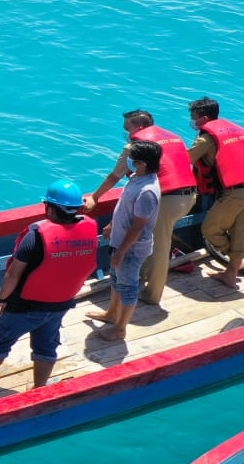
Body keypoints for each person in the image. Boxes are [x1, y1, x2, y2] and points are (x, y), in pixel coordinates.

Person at [0, 180, 98, 398]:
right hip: (61, 304)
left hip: (25, 305)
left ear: (49, 207)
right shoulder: (88, 228)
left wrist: (1, 298)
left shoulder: (36, 236)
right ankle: (39, 387)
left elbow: (13, 273)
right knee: (46, 345)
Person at [82, 109, 196, 305]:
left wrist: (95, 197)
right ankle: (143, 274)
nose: (126, 132)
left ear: (139, 127)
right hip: (190, 196)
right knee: (155, 236)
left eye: (127, 128)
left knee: (160, 247)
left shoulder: (135, 147)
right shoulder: (172, 137)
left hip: (167, 200)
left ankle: (152, 295)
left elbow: (114, 176)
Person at [86, 140, 162, 341]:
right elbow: (125, 208)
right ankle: (112, 314)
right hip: (120, 242)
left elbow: (138, 226)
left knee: (128, 286)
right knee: (116, 279)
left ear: (142, 163)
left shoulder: (147, 191)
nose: (128, 162)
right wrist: (112, 224)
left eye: (133, 160)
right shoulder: (137, 178)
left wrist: (121, 252)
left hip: (131, 248)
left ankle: (120, 328)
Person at [186, 97, 244, 287]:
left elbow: (186, 160)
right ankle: (231, 272)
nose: (192, 120)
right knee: (239, 233)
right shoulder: (235, 130)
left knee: (210, 229)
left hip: (234, 193)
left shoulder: (207, 138)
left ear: (203, 118)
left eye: (193, 117)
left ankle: (235, 258)